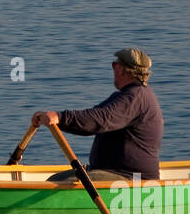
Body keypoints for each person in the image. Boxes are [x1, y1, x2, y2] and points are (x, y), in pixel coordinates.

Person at [32, 48, 163, 180]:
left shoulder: (134, 98)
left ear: (122, 69)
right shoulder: (125, 96)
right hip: (106, 170)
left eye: (114, 64)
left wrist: (61, 117)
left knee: (61, 184)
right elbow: (91, 123)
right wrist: (57, 121)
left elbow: (101, 120)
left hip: (132, 177)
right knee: (54, 180)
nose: (113, 69)